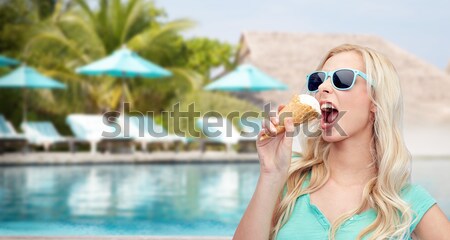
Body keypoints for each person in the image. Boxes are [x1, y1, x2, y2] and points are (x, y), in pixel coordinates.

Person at [233, 44, 450, 240]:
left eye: (342, 79)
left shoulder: (406, 200)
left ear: (376, 100)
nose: (322, 88)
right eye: (318, 80)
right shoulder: (290, 182)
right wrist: (271, 174)